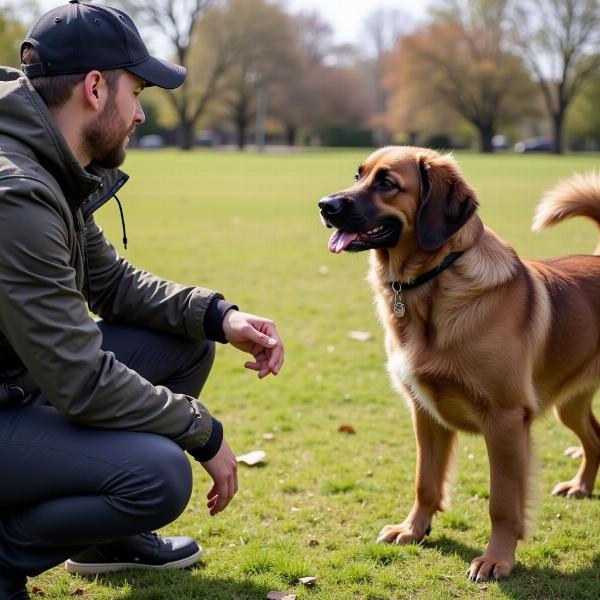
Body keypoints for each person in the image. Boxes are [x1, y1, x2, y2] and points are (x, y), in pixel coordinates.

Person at [0, 1, 284, 597]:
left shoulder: (50, 164)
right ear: (96, 88)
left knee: (187, 341)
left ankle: (105, 541)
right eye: (138, 89)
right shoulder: (18, 195)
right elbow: (78, 378)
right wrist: (199, 428)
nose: (141, 112)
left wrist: (219, 316)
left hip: (19, 383)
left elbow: (113, 284)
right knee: (157, 476)